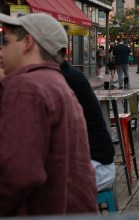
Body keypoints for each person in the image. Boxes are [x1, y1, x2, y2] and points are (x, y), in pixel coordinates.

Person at [0, 13, 97, 215]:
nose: (1, 52)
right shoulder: (55, 82)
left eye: (6, 43)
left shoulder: (27, 87)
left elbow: (18, 173)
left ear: (27, 43)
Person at [60, 53, 116, 192]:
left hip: (94, 164)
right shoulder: (68, 74)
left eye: (7, 43)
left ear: (28, 44)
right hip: (96, 160)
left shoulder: (62, 78)